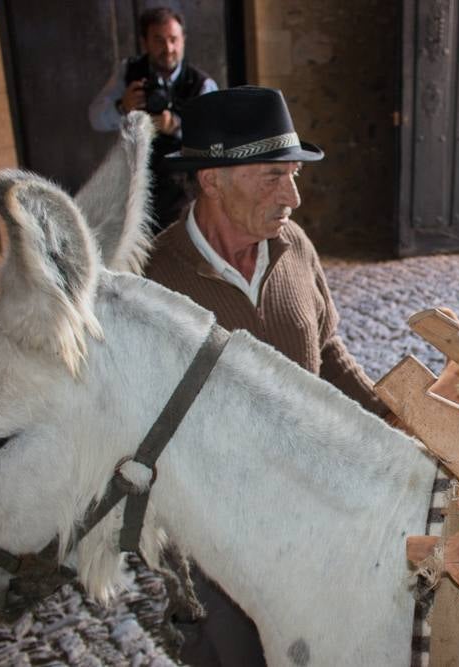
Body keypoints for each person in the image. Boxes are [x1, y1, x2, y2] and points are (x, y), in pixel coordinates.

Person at [143, 86, 387, 666]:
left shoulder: (293, 248)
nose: (294, 196)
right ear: (212, 179)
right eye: (272, 176)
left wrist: (392, 421)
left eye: (295, 174)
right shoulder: (154, 280)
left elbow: (326, 352)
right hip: (217, 542)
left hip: (314, 514)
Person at [89, 7, 217, 235]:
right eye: (159, 40)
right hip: (134, 190)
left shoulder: (202, 84)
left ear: (183, 40)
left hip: (184, 194)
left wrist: (176, 127)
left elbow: (217, 141)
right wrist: (122, 106)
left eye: (173, 40)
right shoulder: (129, 72)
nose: (168, 49)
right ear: (144, 42)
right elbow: (96, 118)